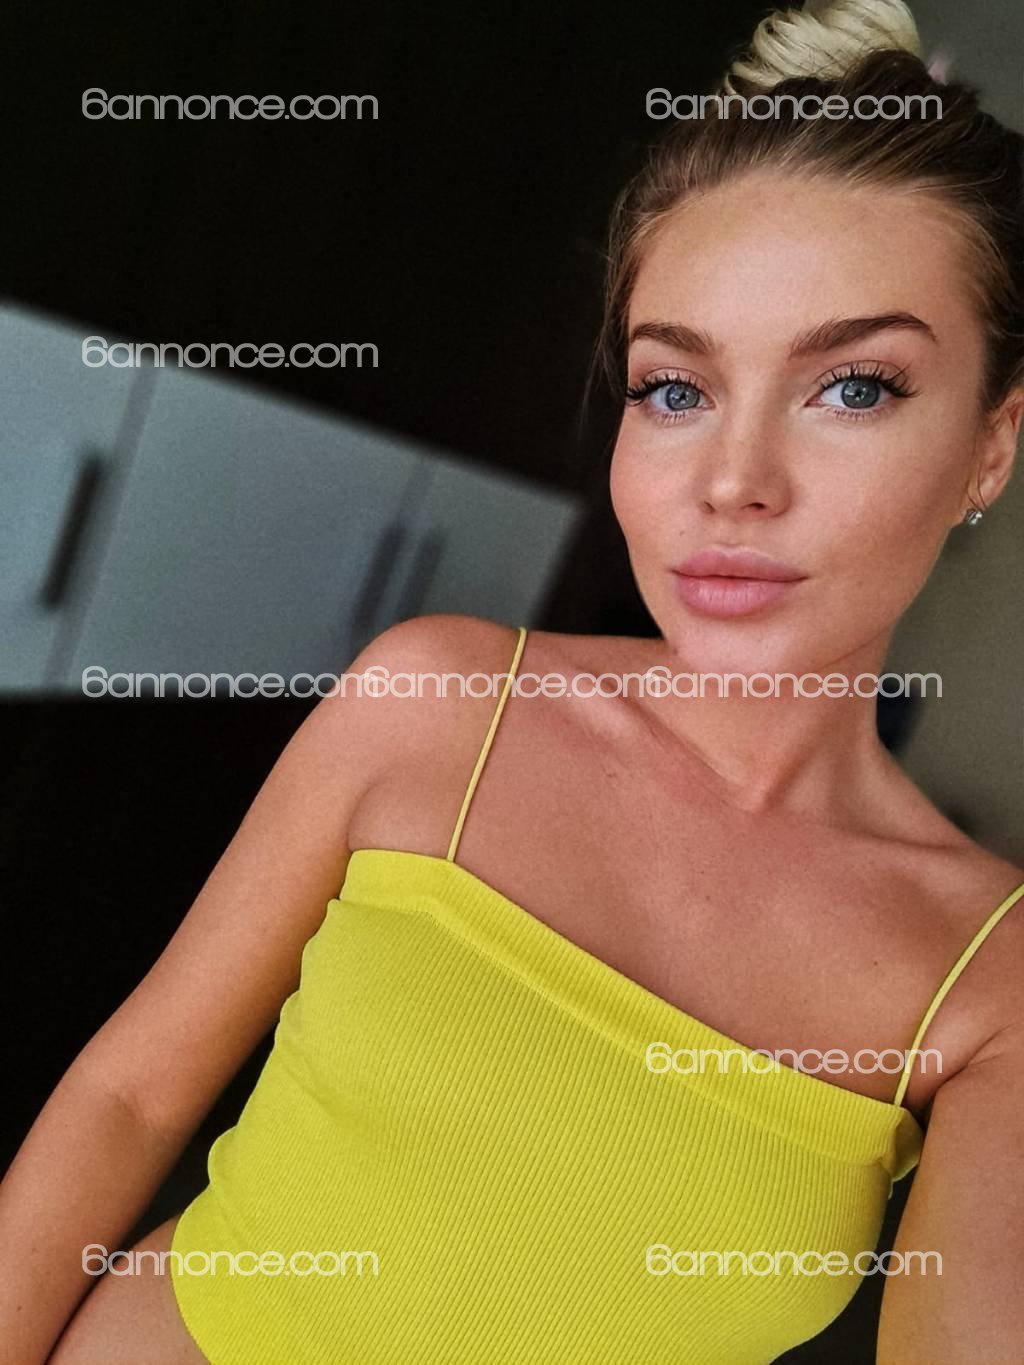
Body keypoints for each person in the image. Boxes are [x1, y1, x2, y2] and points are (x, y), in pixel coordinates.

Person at [4, 1, 1023, 1360]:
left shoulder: (990, 975)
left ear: (990, 445)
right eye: (675, 389)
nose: (733, 482)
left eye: (854, 387)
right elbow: (130, 1096)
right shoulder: (435, 701)